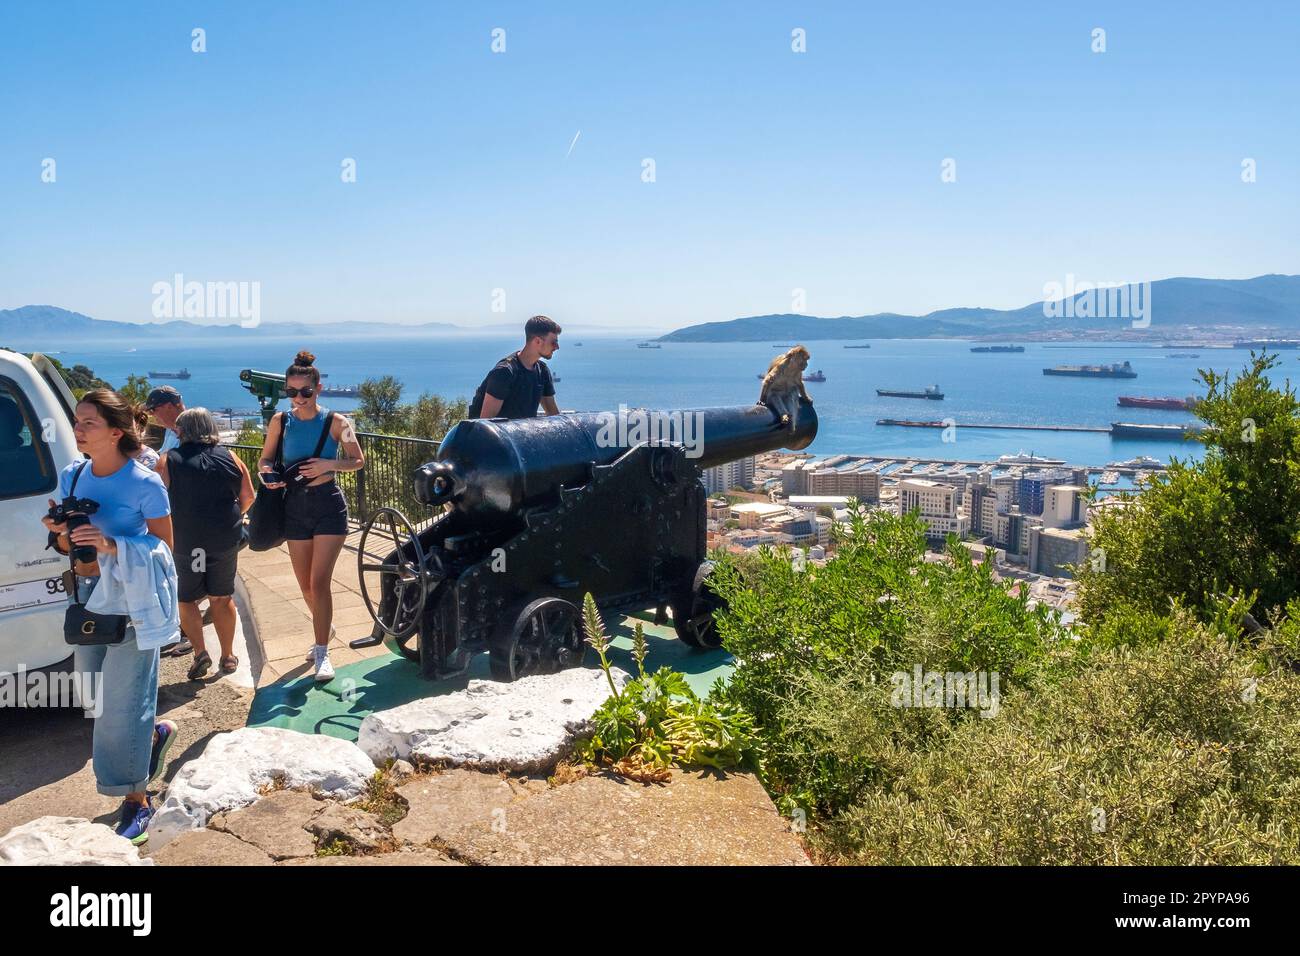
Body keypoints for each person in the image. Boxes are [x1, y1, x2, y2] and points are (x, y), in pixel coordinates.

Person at [40, 389, 180, 845]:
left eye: (87, 423)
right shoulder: (72, 475)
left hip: (130, 602)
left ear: (116, 432)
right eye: (77, 421)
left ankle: (138, 800)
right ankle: (152, 734)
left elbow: (164, 549)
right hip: (87, 598)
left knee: (122, 705)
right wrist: (63, 534)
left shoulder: (144, 482)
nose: (77, 429)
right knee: (96, 696)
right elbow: (66, 548)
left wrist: (113, 545)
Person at [257, 350, 364, 682]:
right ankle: (325, 627)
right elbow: (265, 460)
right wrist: (266, 475)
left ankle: (322, 652)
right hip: (294, 506)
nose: (298, 398)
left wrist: (328, 465)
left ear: (318, 389)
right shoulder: (280, 421)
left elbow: (357, 460)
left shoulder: (338, 423)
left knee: (320, 583)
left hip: (328, 505)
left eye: (305, 392)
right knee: (305, 585)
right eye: (291, 392)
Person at [157, 407, 256, 679]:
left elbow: (158, 503)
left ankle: (200, 652)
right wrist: (233, 516)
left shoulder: (168, 461)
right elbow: (248, 497)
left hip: (187, 541)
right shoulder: (231, 458)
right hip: (223, 539)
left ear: (182, 431)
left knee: (186, 599)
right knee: (221, 598)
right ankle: (228, 656)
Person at [468, 315, 561, 420]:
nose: (557, 347)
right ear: (537, 341)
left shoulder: (542, 371)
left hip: (519, 434)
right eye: (554, 342)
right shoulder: (505, 372)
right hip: (484, 435)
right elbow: (485, 423)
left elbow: (553, 414)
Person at [145, 385, 185, 454]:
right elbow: (163, 452)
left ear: (169, 406)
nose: (151, 414)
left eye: (153, 409)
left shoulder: (193, 433)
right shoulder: (171, 428)